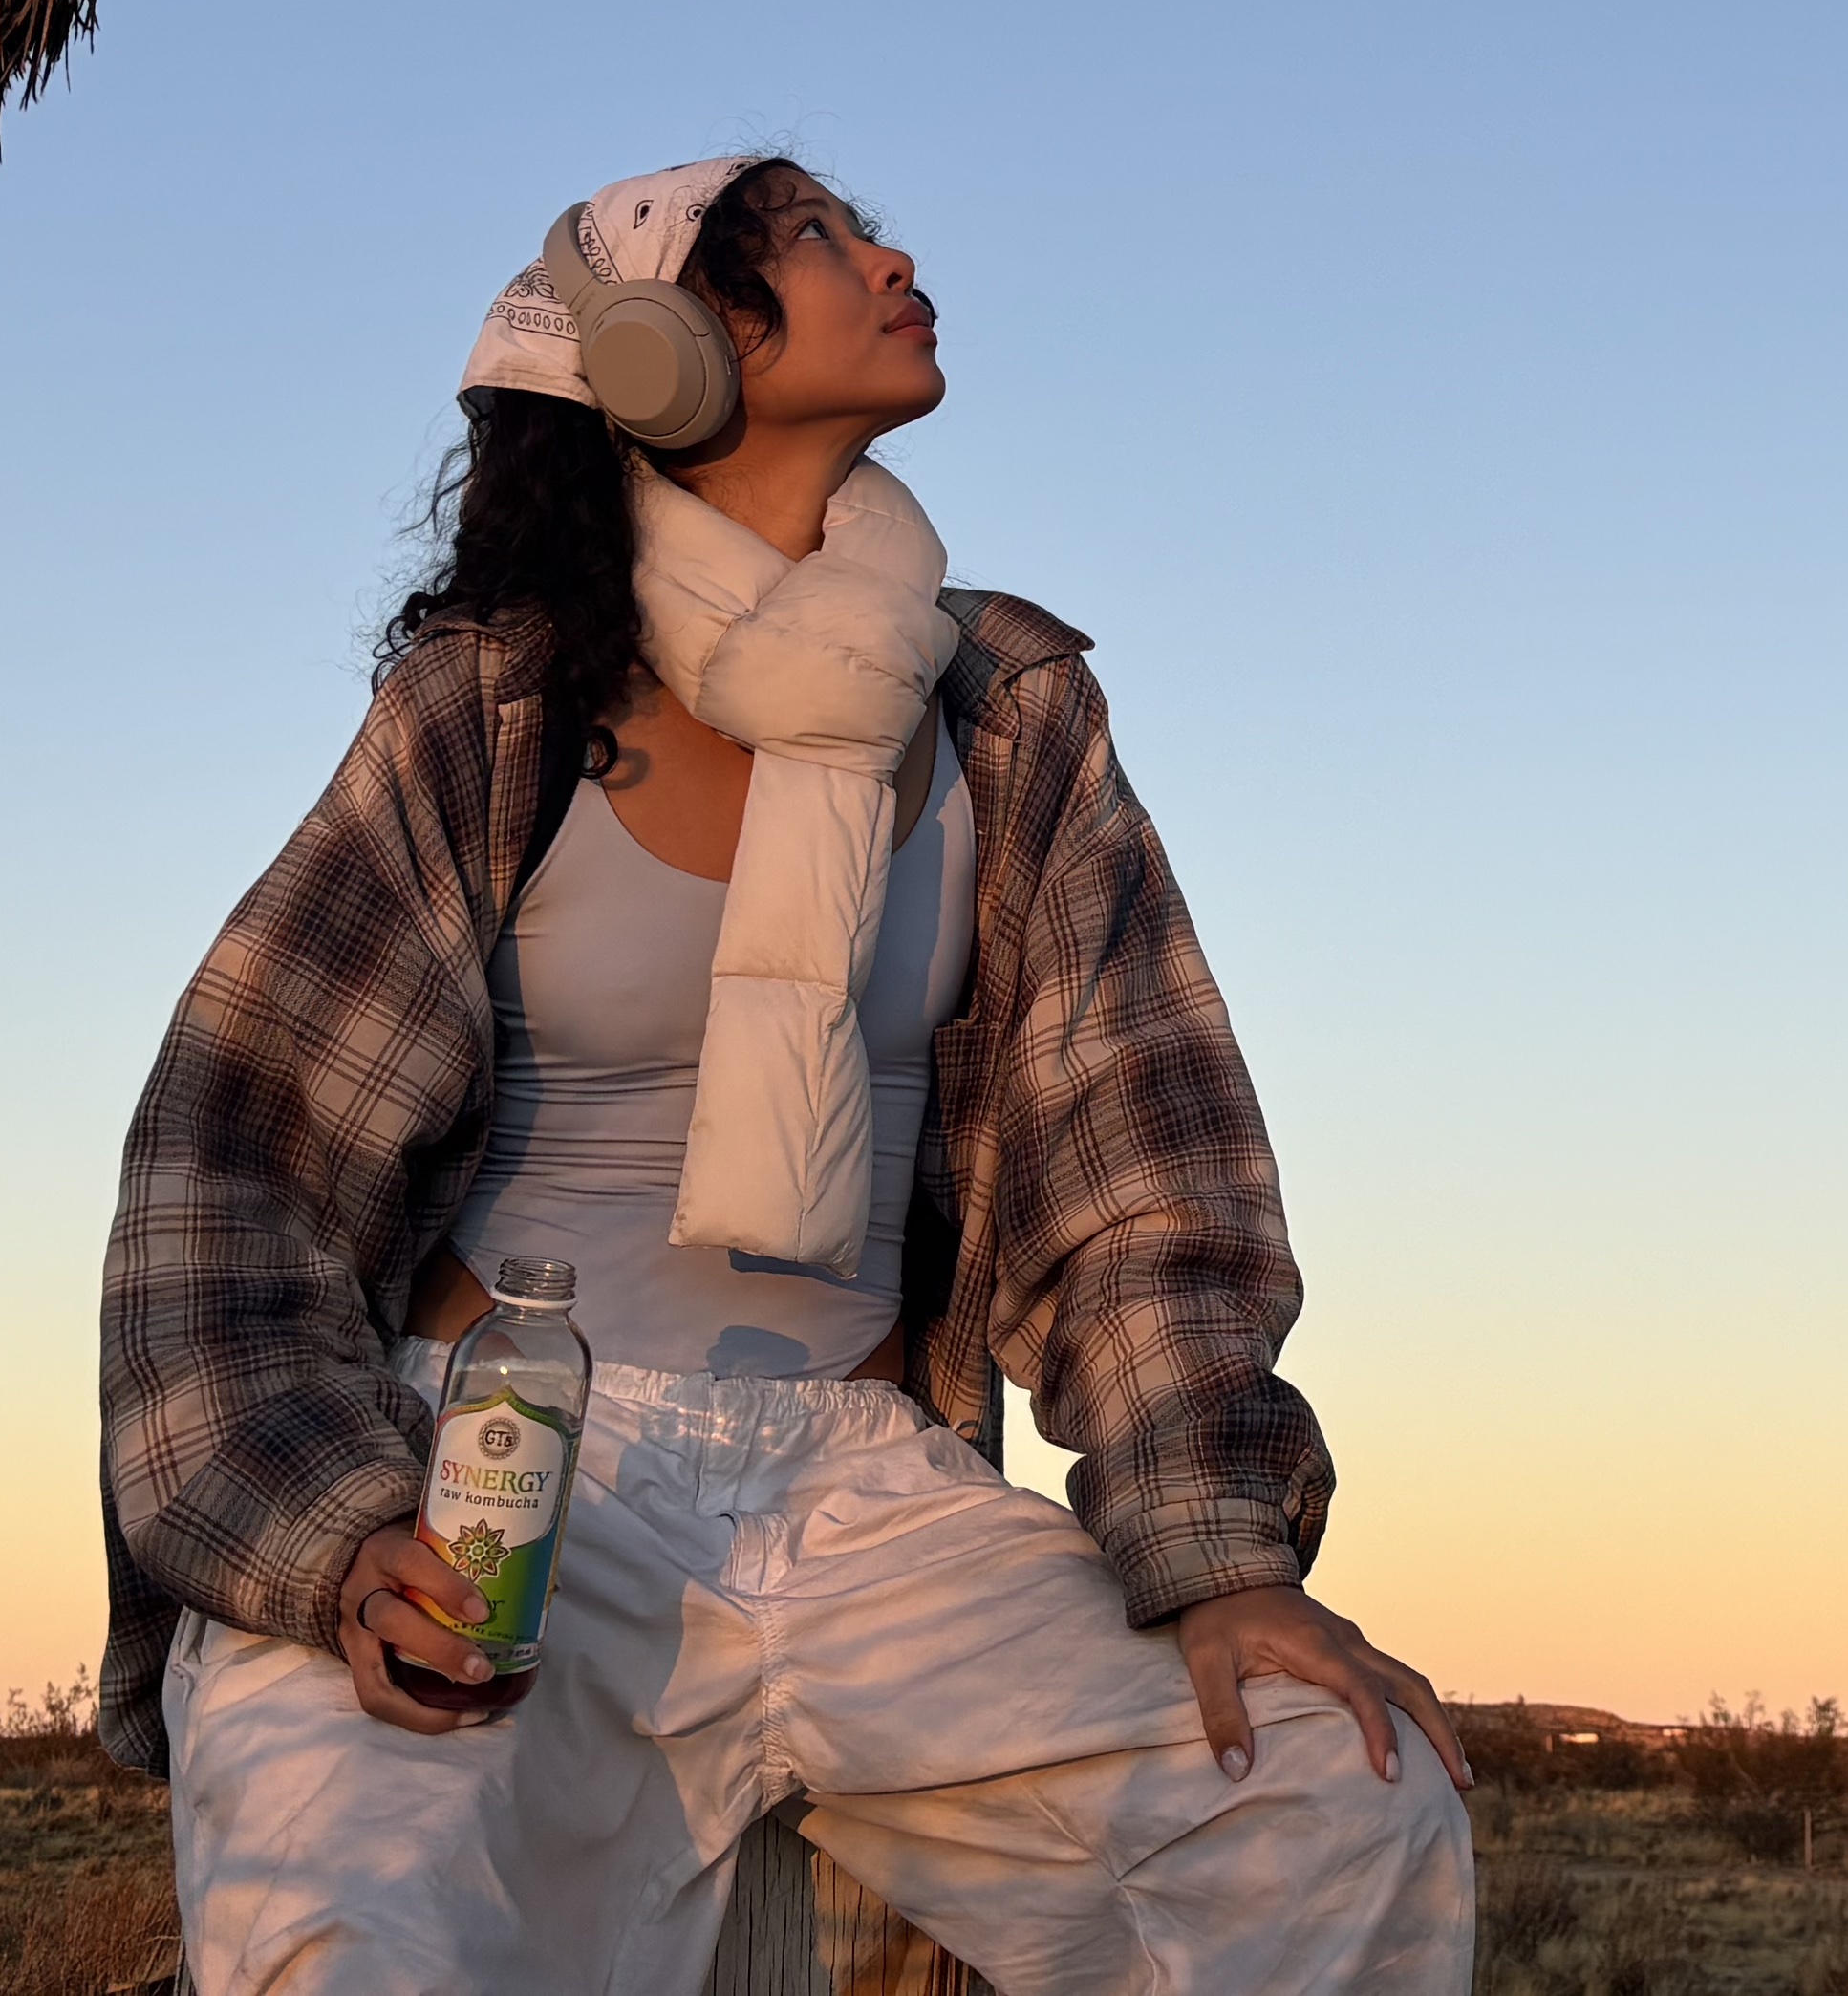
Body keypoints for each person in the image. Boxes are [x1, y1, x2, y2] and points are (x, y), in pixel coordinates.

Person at [97, 155, 1471, 1992]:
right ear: (671, 351)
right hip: (492, 1472)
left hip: (862, 1484)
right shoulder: (493, 708)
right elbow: (235, 1153)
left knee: (1335, 1806)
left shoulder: (1003, 707)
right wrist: (335, 1535)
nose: (895, 256)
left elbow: (1143, 1155)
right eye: (817, 241)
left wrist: (1220, 1550)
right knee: (349, 1932)